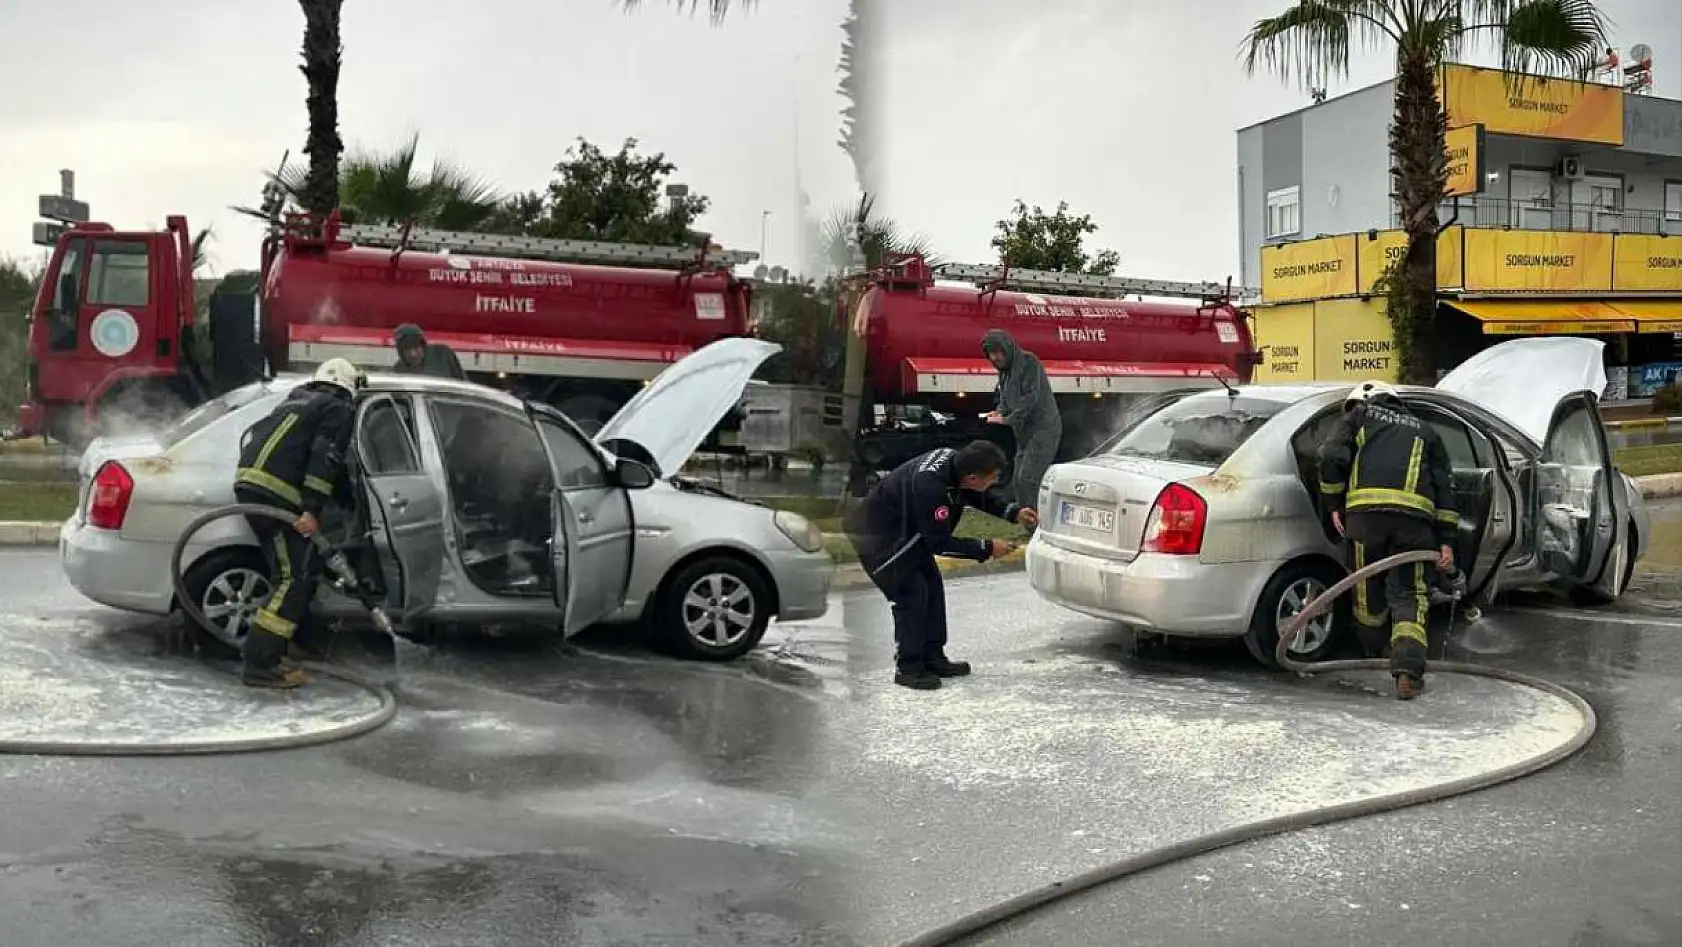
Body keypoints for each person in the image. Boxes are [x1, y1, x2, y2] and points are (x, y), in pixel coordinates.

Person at [844, 440, 1039, 691]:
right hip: (878, 539)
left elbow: (976, 495)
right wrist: (988, 548)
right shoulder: (931, 488)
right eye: (991, 478)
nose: (993, 483)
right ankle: (909, 667)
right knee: (912, 596)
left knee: (933, 590)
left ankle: (933, 658)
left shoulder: (954, 466)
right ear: (971, 476)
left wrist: (1013, 513)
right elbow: (939, 543)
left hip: (909, 534)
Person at [1317, 380, 1459, 700]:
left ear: (1361, 401)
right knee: (1410, 596)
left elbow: (1329, 455)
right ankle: (1407, 669)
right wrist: (1446, 541)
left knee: (1367, 593)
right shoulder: (1426, 431)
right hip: (1415, 526)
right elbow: (1445, 490)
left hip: (1365, 522)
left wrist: (1333, 504)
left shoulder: (1358, 416)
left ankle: (1373, 655)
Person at [232, 358, 366, 688]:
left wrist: (347, 498)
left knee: (291, 572)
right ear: (348, 386)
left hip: (253, 485)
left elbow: (317, 461)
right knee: (294, 578)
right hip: (276, 496)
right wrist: (312, 511)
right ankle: (260, 664)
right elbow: (324, 459)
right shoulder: (337, 407)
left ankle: (275, 653)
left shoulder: (297, 399)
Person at [982, 329, 1061, 513]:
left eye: (997, 352)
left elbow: (1030, 398)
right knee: (1018, 479)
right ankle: (1029, 521)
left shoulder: (1029, 362)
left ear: (1007, 348)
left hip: (1044, 429)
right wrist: (998, 412)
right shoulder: (1004, 373)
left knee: (1029, 477)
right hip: (1023, 433)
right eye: (990, 354)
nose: (994, 358)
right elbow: (1004, 399)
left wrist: (1008, 419)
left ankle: (1039, 522)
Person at [392, 323, 466, 380]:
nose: (413, 354)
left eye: (416, 347)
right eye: (407, 349)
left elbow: (463, 383)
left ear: (423, 347)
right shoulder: (399, 370)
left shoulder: (442, 354)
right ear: (400, 352)